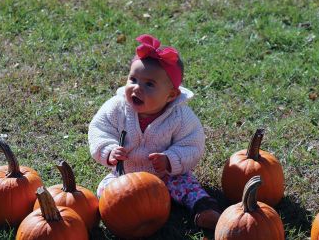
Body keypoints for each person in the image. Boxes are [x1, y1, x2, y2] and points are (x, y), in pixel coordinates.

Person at [88, 34, 221, 230]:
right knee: (105, 192)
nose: (136, 88)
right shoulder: (117, 107)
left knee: (190, 188)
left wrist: (170, 159)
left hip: (167, 176)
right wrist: (108, 150)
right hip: (126, 176)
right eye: (133, 79)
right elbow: (99, 128)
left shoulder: (180, 116)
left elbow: (192, 144)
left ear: (171, 95)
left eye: (149, 84)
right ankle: (124, 215)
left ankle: (204, 211)